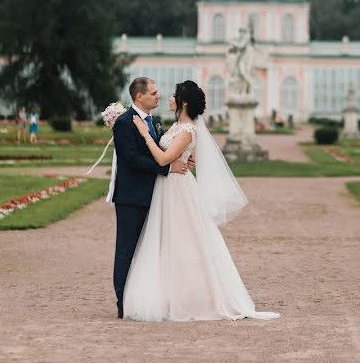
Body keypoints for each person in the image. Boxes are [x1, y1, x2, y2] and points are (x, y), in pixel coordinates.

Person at [123, 80, 279, 322]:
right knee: (169, 241)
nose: (168, 98)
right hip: (168, 186)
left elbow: (164, 159)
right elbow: (171, 154)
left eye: (174, 95)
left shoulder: (188, 130)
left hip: (177, 189)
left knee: (184, 242)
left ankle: (190, 298)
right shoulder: (177, 126)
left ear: (183, 102)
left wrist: (145, 135)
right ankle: (169, 294)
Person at [111, 77, 190, 319]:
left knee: (149, 250)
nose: (158, 96)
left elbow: (163, 150)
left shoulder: (154, 122)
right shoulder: (124, 123)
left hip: (155, 195)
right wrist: (167, 169)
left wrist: (182, 159)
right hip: (131, 197)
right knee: (126, 250)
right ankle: (123, 301)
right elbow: (131, 159)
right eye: (154, 93)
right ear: (139, 97)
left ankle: (146, 298)